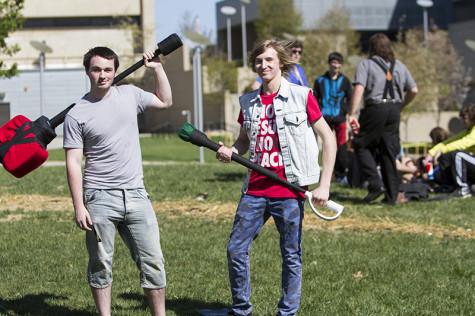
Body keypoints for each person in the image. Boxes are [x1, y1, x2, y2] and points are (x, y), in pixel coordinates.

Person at [216, 39, 337, 316]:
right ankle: (240, 310)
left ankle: (287, 312)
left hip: (290, 190)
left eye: (269, 60)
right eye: (259, 61)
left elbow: (328, 138)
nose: (263, 65)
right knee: (236, 249)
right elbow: (244, 140)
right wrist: (232, 151)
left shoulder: (301, 95)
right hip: (255, 190)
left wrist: (325, 184)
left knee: (291, 255)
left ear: (280, 62)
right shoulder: (247, 102)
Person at [63, 47, 172, 316]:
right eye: (97, 69)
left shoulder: (130, 94)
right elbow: (73, 163)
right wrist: (79, 206)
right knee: (101, 263)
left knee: (153, 261)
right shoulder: (76, 113)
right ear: (87, 71)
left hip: (136, 195)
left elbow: (165, 101)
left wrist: (157, 68)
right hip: (99, 197)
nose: (103, 75)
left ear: (115, 71)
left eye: (108, 70)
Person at [349, 33, 418, 205]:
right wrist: (401, 105)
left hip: (375, 108)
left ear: (371, 48)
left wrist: (352, 113)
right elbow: (414, 90)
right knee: (388, 151)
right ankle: (392, 195)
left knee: (360, 144)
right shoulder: (399, 65)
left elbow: (359, 89)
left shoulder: (366, 64)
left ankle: (375, 183)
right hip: (394, 110)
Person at [424, 103, 475, 197]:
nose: (462, 121)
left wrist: (442, 150)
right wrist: (431, 153)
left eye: (465, 118)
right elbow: (449, 142)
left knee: (458, 155)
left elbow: (464, 143)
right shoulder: (468, 130)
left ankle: (464, 190)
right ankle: (448, 187)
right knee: (447, 155)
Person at [314, 52, 352, 147]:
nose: (336, 65)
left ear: (341, 65)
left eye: (338, 63)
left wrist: (345, 111)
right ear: (329, 63)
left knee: (342, 145)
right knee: (327, 145)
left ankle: (340, 161)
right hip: (324, 118)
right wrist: (319, 112)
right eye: (334, 62)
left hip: (340, 118)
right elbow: (314, 98)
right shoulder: (320, 80)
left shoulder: (345, 81)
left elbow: (350, 98)